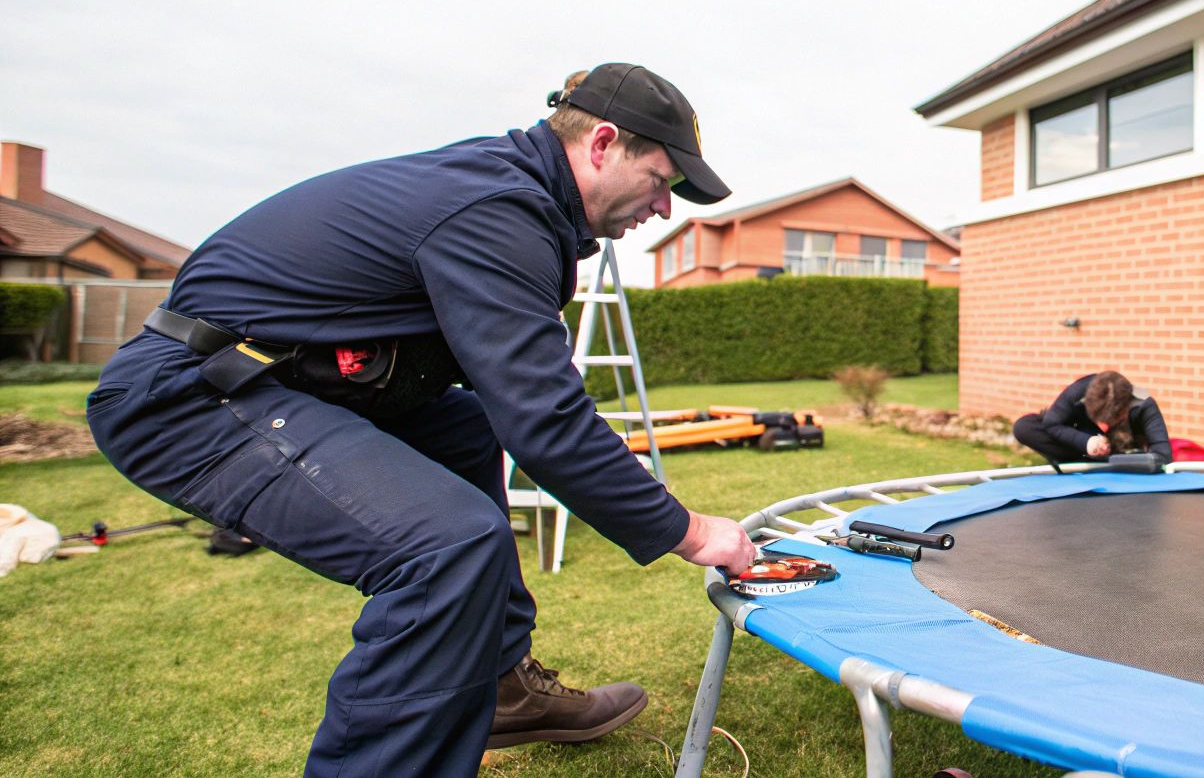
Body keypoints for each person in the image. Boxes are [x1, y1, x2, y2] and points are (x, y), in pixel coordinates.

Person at [85, 63, 759, 777]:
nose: (665, 208)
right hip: (192, 395)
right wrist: (688, 531)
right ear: (601, 144)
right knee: (445, 550)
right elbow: (547, 420)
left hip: (281, 378)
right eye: (661, 180)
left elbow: (510, 399)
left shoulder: (507, 196)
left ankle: (500, 685)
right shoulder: (499, 209)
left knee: (465, 427)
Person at [1012, 371, 1173, 465]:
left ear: (1127, 405)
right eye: (1099, 420)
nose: (1104, 426)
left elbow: (1163, 456)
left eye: (1112, 421)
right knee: (1024, 427)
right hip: (1082, 446)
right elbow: (1052, 423)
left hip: (1120, 454)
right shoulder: (1078, 391)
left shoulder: (1144, 404)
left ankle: (1099, 464)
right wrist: (1085, 442)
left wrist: (1115, 459)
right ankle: (1085, 461)